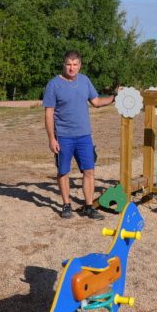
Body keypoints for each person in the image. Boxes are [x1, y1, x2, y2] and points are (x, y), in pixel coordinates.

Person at [43, 50, 116, 220]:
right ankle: (66, 205)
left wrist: (114, 97)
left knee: (89, 171)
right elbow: (48, 114)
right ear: (64, 65)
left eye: (75, 64)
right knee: (63, 172)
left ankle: (88, 206)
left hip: (84, 136)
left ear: (80, 65)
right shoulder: (53, 84)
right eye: (69, 64)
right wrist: (51, 139)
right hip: (63, 137)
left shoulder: (85, 81)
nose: (72, 68)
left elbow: (96, 102)